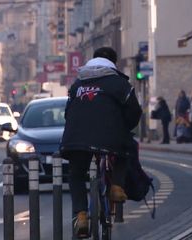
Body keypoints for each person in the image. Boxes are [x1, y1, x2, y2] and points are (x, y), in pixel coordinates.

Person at [59, 47, 142, 237]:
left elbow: (67, 113)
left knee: (77, 174)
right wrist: (125, 128)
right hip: (109, 137)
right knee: (125, 150)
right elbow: (134, 112)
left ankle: (80, 215)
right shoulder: (119, 83)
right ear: (114, 63)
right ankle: (117, 187)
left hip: (76, 138)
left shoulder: (77, 84)